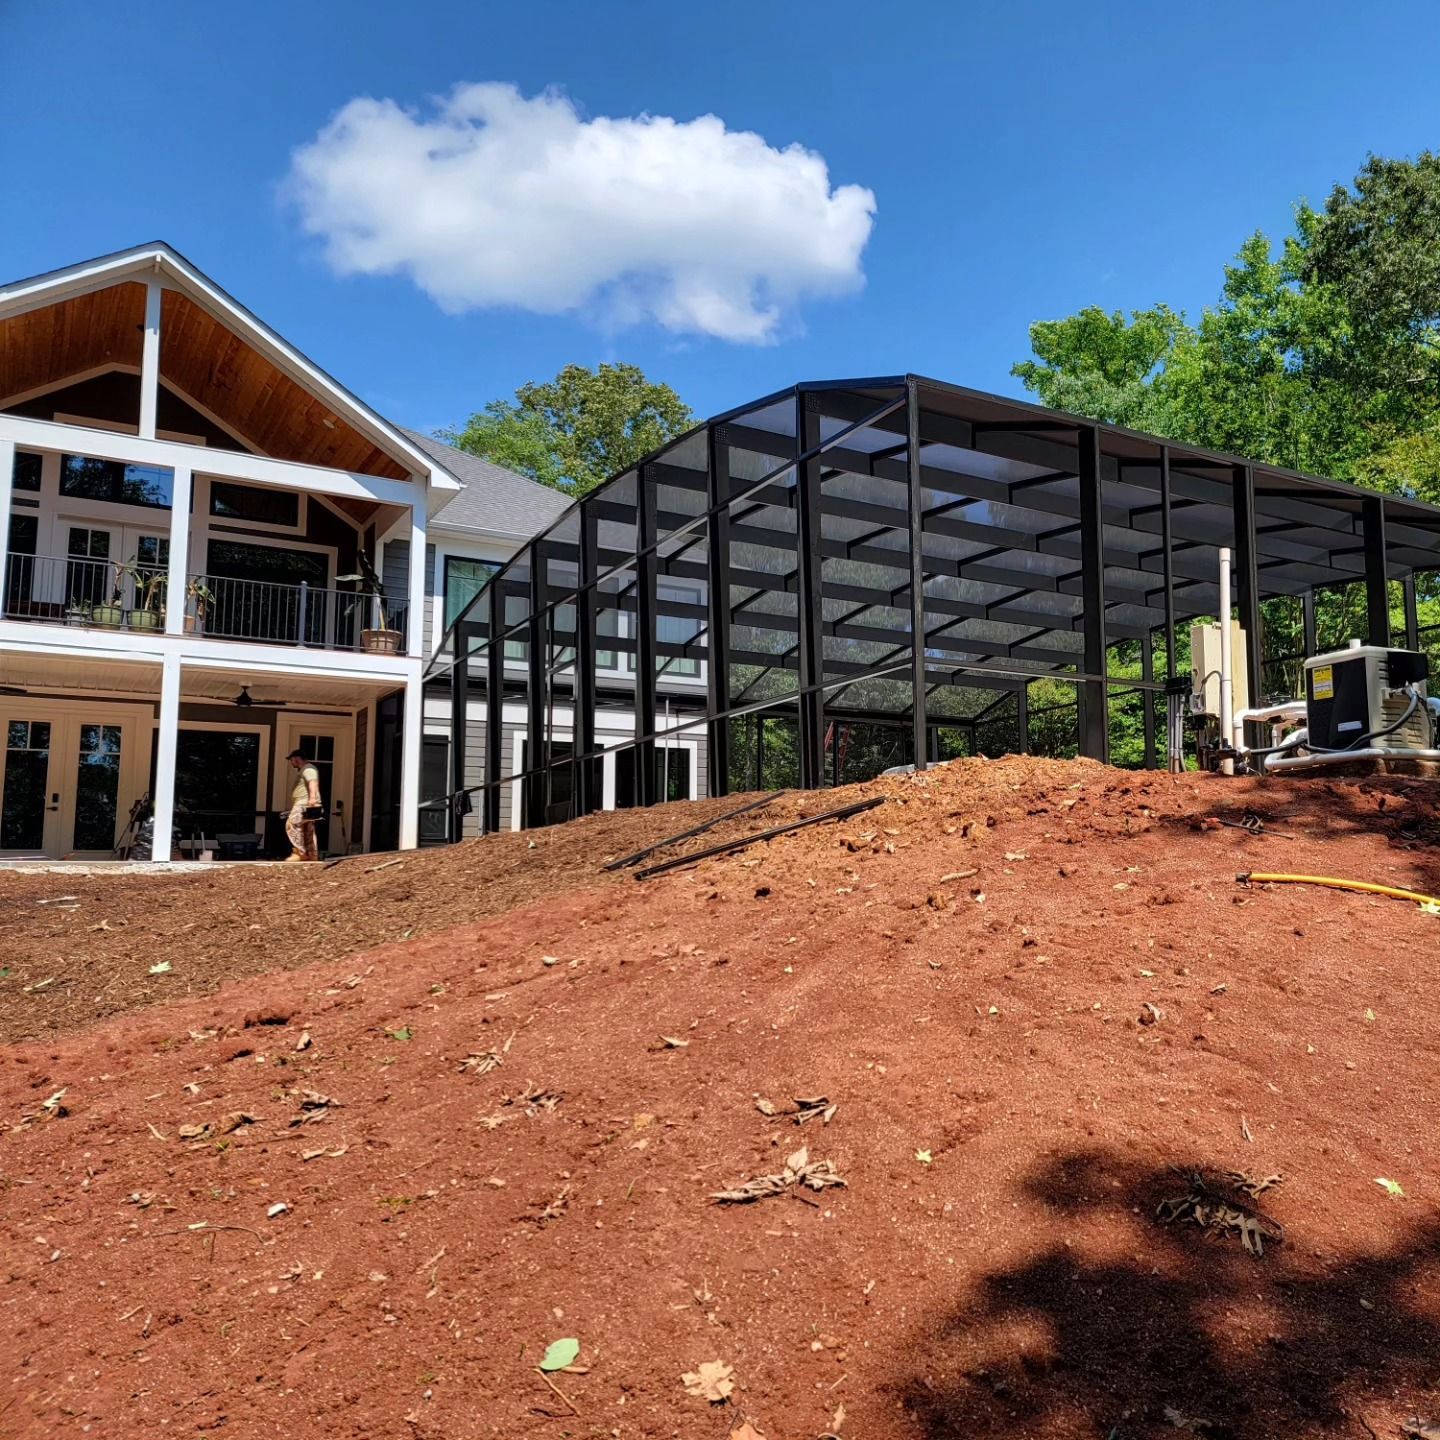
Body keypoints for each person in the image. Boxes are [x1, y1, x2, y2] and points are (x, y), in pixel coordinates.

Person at [283, 749, 323, 862]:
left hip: (304, 803)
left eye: (291, 760)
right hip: (306, 803)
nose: (291, 763)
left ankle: (300, 852)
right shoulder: (306, 769)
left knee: (292, 824)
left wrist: (312, 799)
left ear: (296, 758)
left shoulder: (308, 769)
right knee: (308, 829)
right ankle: (311, 855)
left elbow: (313, 782)